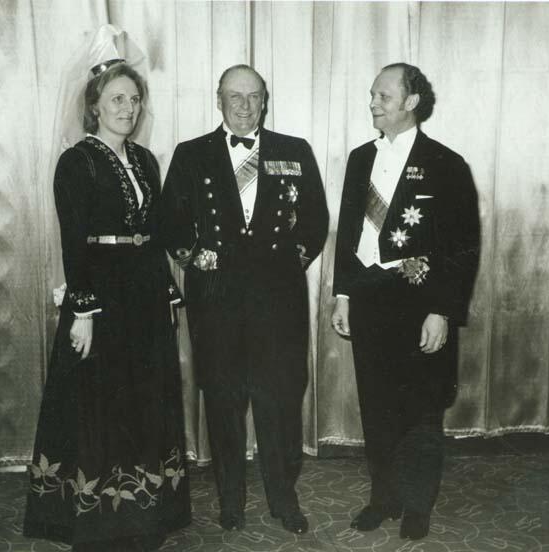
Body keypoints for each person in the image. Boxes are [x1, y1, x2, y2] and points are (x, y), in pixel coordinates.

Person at [23, 50, 190, 551]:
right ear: (94, 105)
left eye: (134, 100)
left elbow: (154, 236)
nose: (128, 108)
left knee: (145, 403)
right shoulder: (77, 162)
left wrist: (167, 294)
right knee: (101, 406)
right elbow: (74, 242)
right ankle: (99, 526)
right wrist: (82, 310)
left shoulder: (145, 160)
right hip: (102, 298)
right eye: (117, 99)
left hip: (145, 296)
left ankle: (143, 514)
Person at [161, 64, 328, 535]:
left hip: (278, 300)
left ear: (265, 101)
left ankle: (284, 499)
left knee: (280, 403)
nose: (244, 105)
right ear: (219, 100)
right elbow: (171, 220)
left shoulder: (294, 150)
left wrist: (289, 263)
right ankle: (230, 501)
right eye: (235, 96)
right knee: (223, 403)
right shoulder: (192, 154)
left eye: (254, 96)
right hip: (217, 300)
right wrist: (195, 258)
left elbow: (315, 219)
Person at [331, 63, 480, 540]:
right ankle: (383, 497)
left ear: (411, 102)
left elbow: (462, 246)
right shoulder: (360, 159)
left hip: (419, 303)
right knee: (376, 407)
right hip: (369, 298)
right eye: (372, 95)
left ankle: (417, 505)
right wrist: (342, 294)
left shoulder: (446, 163)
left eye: (383, 96)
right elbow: (348, 233)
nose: (373, 103)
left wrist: (442, 310)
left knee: (420, 409)